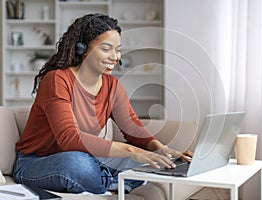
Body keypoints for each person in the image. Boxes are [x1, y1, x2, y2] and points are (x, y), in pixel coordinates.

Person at [13, 13, 187, 195]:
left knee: (153, 160)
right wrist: (130, 151)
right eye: (106, 49)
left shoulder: (112, 86)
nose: (115, 57)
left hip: (91, 158)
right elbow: (68, 138)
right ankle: (115, 181)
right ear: (83, 49)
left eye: (118, 49)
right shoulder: (57, 79)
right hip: (37, 163)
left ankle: (105, 180)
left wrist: (161, 149)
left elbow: (132, 128)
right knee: (78, 164)